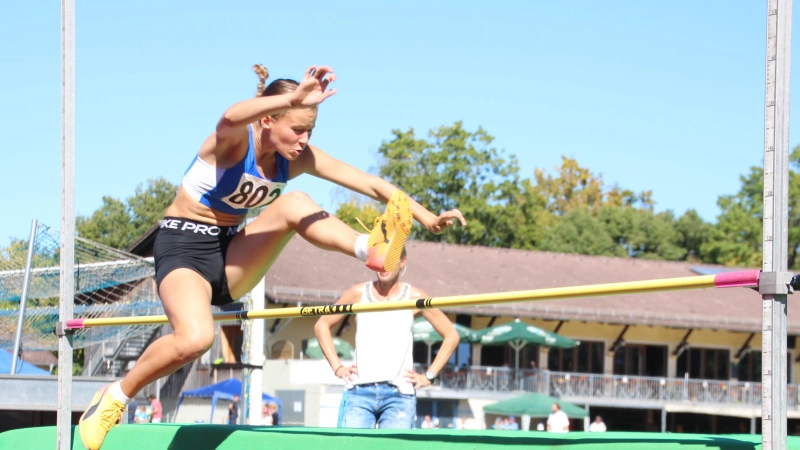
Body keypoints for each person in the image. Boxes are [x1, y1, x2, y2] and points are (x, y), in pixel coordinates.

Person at [77, 63, 465, 450]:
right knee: (196, 337)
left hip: (231, 254)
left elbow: (369, 182)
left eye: (310, 130)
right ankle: (113, 398)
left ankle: (370, 249)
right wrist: (291, 98)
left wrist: (427, 217)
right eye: (297, 129)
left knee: (295, 202)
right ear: (267, 119)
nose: (303, 140)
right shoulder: (233, 143)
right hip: (184, 248)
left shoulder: (293, 157)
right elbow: (229, 116)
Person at [315, 248, 460, 429]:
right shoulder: (358, 293)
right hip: (359, 392)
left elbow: (451, 336)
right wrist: (338, 368)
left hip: (399, 396)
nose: (383, 266)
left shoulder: (414, 296)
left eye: (390, 260)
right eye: (378, 261)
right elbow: (322, 326)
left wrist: (428, 376)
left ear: (402, 261)